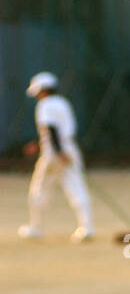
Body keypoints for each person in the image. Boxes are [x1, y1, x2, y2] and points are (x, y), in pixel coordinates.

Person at [18, 72, 94, 243]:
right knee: (76, 186)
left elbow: (51, 129)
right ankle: (87, 227)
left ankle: (35, 227)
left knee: (39, 188)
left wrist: (58, 152)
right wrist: (40, 145)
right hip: (69, 147)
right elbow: (58, 130)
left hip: (54, 152)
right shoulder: (63, 103)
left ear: (43, 90)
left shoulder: (44, 105)